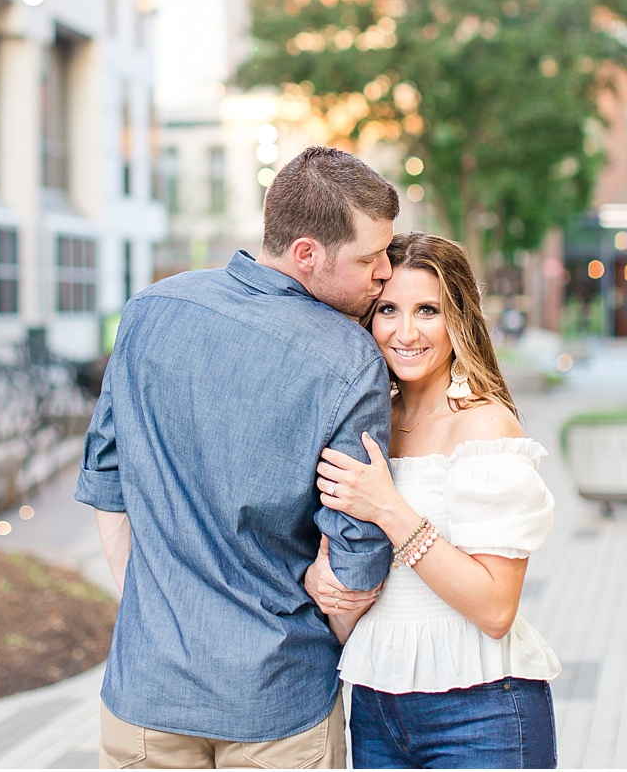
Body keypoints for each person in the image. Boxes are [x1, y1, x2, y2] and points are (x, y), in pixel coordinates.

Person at [75, 146, 399, 769]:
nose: (384, 271)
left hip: (147, 691)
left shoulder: (149, 311)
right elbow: (357, 560)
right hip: (278, 707)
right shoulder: (351, 361)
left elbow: (106, 484)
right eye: (369, 258)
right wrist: (302, 649)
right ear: (307, 253)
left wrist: (159, 614)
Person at [306, 232, 560, 769]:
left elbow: (495, 610)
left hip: (483, 712)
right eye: (388, 310)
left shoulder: (485, 426)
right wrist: (323, 582)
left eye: (427, 310)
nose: (405, 332)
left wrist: (390, 510)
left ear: (458, 320)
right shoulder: (364, 426)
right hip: (376, 707)